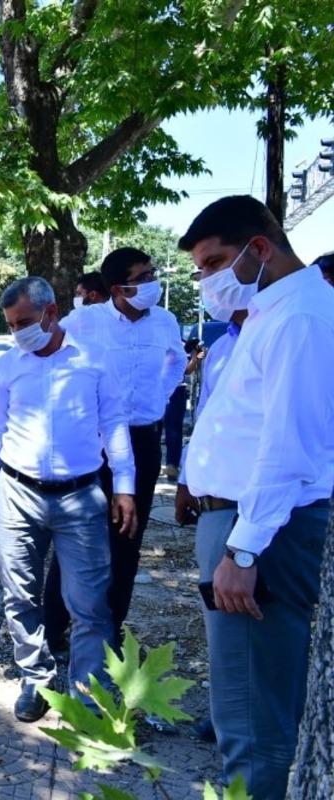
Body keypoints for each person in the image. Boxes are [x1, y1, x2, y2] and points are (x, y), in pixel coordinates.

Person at [178, 195, 334, 800]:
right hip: (247, 525)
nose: (207, 281)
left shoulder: (300, 317)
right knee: (254, 700)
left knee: (249, 717)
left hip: (259, 531)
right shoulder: (278, 312)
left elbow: (286, 449)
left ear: (259, 248)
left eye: (215, 262)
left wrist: (242, 553)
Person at [0, 276, 136, 723]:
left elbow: (115, 424)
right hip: (18, 493)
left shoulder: (93, 361)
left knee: (90, 604)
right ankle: (36, 678)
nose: (17, 332)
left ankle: (86, 697)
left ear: (51, 312)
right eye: (10, 325)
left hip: (80, 497)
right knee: (20, 595)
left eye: (23, 321)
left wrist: (124, 486)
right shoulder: (8, 366)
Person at [43, 248, 186, 649]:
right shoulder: (87, 321)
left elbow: (177, 362)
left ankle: (109, 630)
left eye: (152, 272)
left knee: (127, 538)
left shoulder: (165, 322)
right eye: (143, 277)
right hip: (96, 443)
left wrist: (159, 396)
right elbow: (48, 348)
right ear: (119, 287)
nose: (152, 282)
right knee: (78, 534)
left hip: (142, 441)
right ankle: (53, 629)